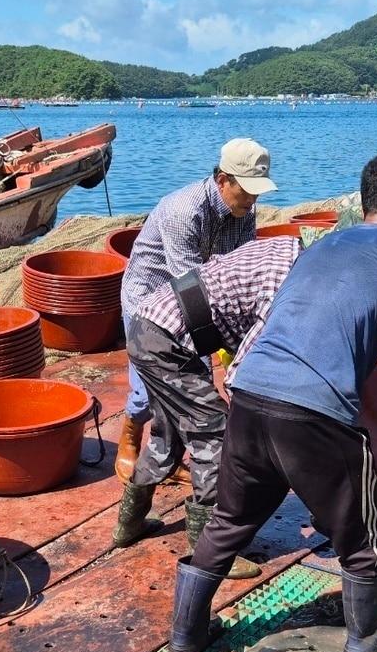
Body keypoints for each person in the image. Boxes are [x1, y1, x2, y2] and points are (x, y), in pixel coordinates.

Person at [166, 150, 377, 652]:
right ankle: (367, 644)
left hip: (249, 396)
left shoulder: (322, 244)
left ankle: (184, 640)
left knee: (229, 522)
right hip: (315, 416)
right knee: (360, 538)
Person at [113, 235, 303, 580]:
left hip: (149, 328)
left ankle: (128, 524)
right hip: (168, 338)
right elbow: (243, 371)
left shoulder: (285, 246)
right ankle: (207, 552)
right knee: (213, 432)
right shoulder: (287, 284)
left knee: (167, 434)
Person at [115, 137, 275, 483]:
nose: (252, 200)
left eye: (257, 192)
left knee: (196, 381)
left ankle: (175, 454)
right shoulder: (183, 211)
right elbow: (187, 287)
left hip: (203, 292)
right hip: (152, 297)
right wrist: (208, 357)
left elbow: (240, 267)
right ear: (222, 180)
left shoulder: (245, 212)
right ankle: (130, 434)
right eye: (246, 191)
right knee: (155, 384)